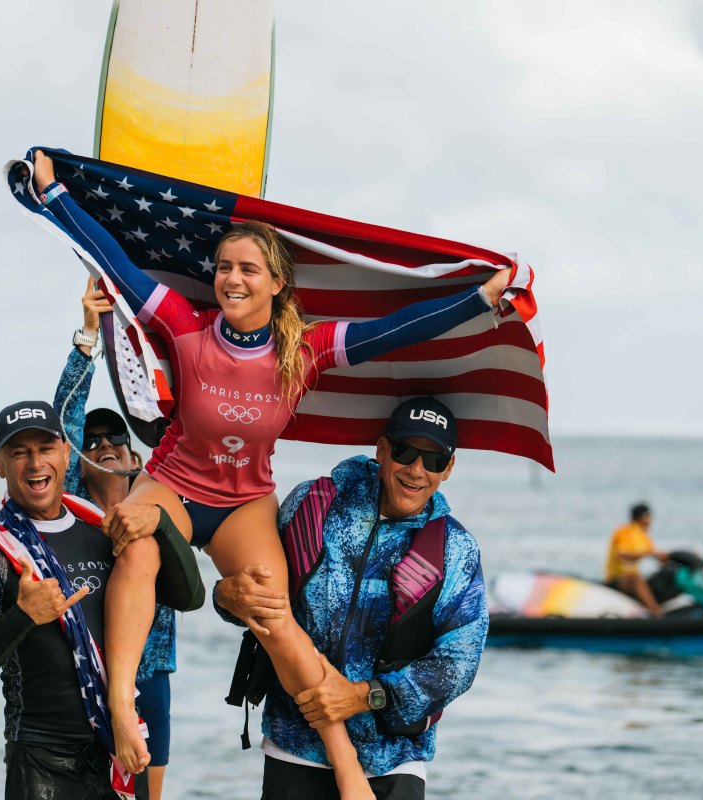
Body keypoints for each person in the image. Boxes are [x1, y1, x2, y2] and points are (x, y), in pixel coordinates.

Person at [29, 149, 509, 800]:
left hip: (242, 502)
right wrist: (56, 198)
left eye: (248, 268)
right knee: (136, 548)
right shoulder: (185, 326)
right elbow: (116, 262)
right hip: (174, 483)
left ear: (276, 282)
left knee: (275, 613)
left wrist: (477, 300)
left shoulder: (301, 352)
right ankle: (120, 707)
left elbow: (394, 331)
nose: (232, 278)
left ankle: (346, 768)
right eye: (224, 267)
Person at [216, 397, 488, 800]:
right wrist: (226, 598)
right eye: (405, 452)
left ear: (448, 469)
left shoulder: (456, 550)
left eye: (433, 460)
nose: (416, 470)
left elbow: (459, 664)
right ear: (381, 450)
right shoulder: (312, 506)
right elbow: (262, 597)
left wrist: (363, 696)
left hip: (394, 760)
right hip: (295, 748)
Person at [0, 400, 203, 800]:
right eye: (19, 452)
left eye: (45, 448)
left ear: (65, 451)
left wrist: (162, 523)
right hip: (43, 762)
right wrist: (23, 616)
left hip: (123, 746)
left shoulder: (103, 530)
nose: (34, 463)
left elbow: (190, 597)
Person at [54, 278, 179, 799]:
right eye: (94, 439)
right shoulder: (71, 509)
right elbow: (65, 422)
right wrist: (88, 335)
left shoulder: (159, 503)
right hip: (82, 675)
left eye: (116, 439)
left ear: (135, 460)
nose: (103, 444)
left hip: (149, 675)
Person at [605, 503, 668, 615]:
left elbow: (655, 554)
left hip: (633, 578)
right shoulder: (624, 532)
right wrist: (645, 553)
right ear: (641, 517)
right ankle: (656, 613)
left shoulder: (644, 536)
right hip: (617, 579)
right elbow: (623, 554)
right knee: (635, 578)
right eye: (648, 517)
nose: (650, 520)